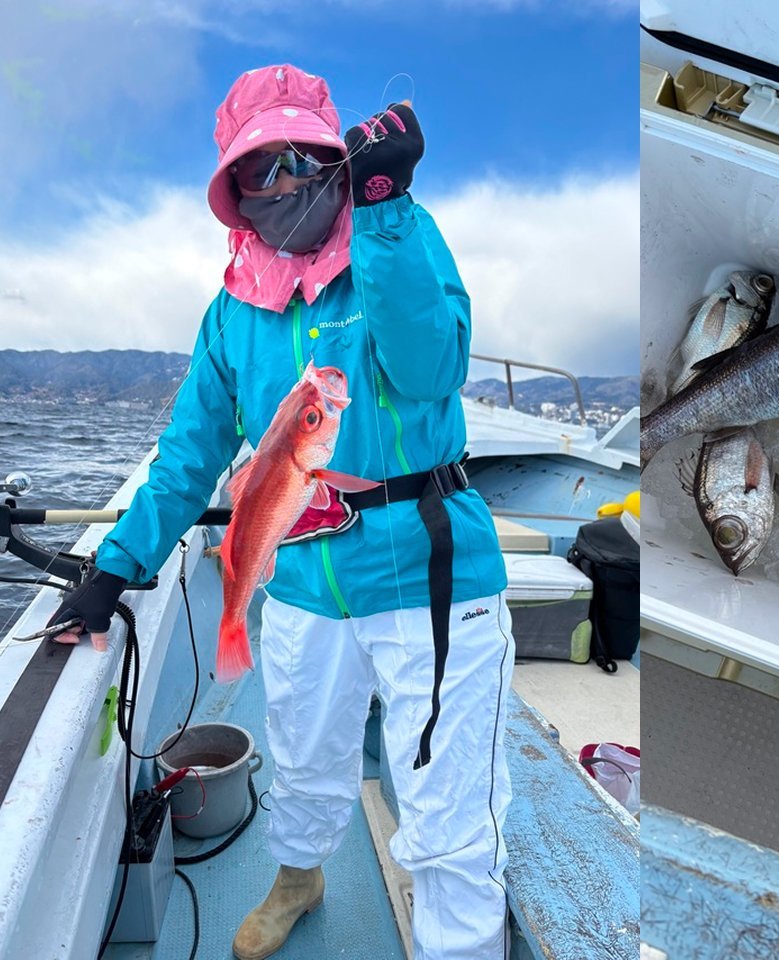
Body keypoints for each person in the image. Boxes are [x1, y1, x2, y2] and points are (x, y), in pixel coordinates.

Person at [45, 64, 514, 960]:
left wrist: (381, 210)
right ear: (235, 191)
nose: (284, 182)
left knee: (450, 809)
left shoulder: (399, 235)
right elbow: (189, 456)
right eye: (260, 169)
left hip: (431, 571)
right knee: (300, 764)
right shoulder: (231, 312)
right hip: (299, 580)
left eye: (304, 158)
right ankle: (300, 879)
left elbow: (430, 371)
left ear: (339, 161)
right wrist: (113, 570)